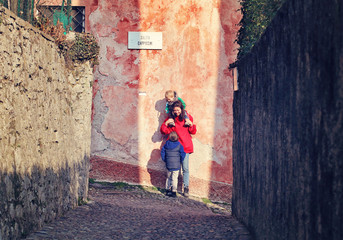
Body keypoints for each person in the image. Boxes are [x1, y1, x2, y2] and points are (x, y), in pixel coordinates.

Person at [160, 100, 197, 197]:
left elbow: (193, 131)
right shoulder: (171, 119)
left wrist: (191, 124)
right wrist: (166, 123)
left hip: (185, 147)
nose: (176, 112)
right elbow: (164, 131)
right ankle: (171, 188)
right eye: (174, 110)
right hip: (173, 149)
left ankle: (186, 188)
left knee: (185, 169)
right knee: (172, 170)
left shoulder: (187, 118)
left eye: (178, 110)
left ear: (181, 109)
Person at [161, 131, 186, 198]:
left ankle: (167, 190)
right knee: (175, 178)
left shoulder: (166, 144)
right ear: (177, 137)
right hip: (176, 165)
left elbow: (162, 152)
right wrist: (180, 160)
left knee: (168, 177)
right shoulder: (179, 145)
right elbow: (183, 154)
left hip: (168, 164)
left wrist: (165, 159)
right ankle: (174, 191)